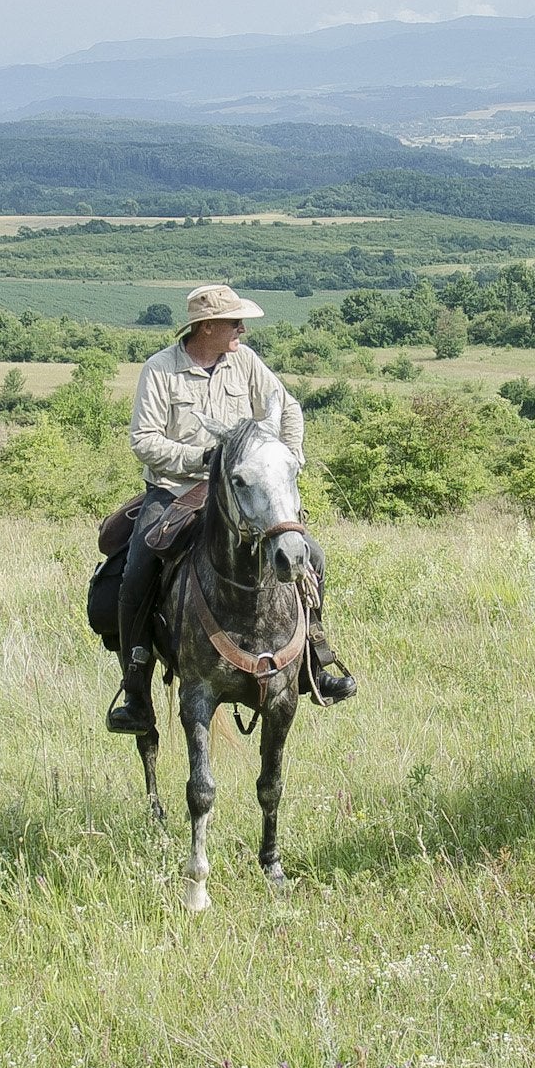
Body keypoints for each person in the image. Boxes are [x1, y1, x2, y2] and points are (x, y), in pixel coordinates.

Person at [107, 284, 356, 735]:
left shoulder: (245, 361)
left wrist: (288, 458)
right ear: (207, 327)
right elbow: (144, 440)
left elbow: (289, 409)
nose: (242, 328)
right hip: (177, 490)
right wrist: (202, 459)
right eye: (234, 321)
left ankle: (315, 659)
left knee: (311, 556)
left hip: (246, 492)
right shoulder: (160, 370)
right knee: (137, 569)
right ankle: (136, 690)